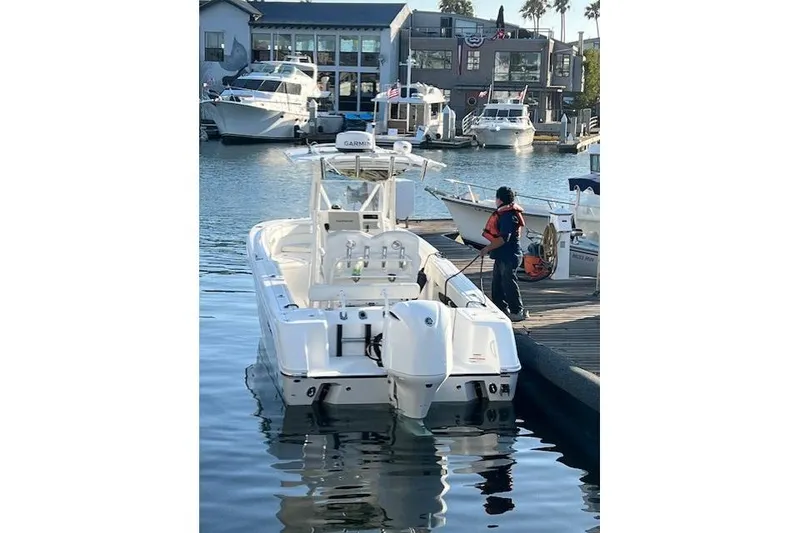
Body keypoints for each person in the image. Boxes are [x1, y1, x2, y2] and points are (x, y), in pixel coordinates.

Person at [478, 186, 527, 322]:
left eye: (496, 198)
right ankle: (500, 309)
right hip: (502, 255)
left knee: (508, 283)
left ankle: (517, 311)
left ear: (499, 199)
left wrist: (486, 249)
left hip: (510, 255)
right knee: (497, 284)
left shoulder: (508, 216)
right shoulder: (505, 213)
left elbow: (504, 238)